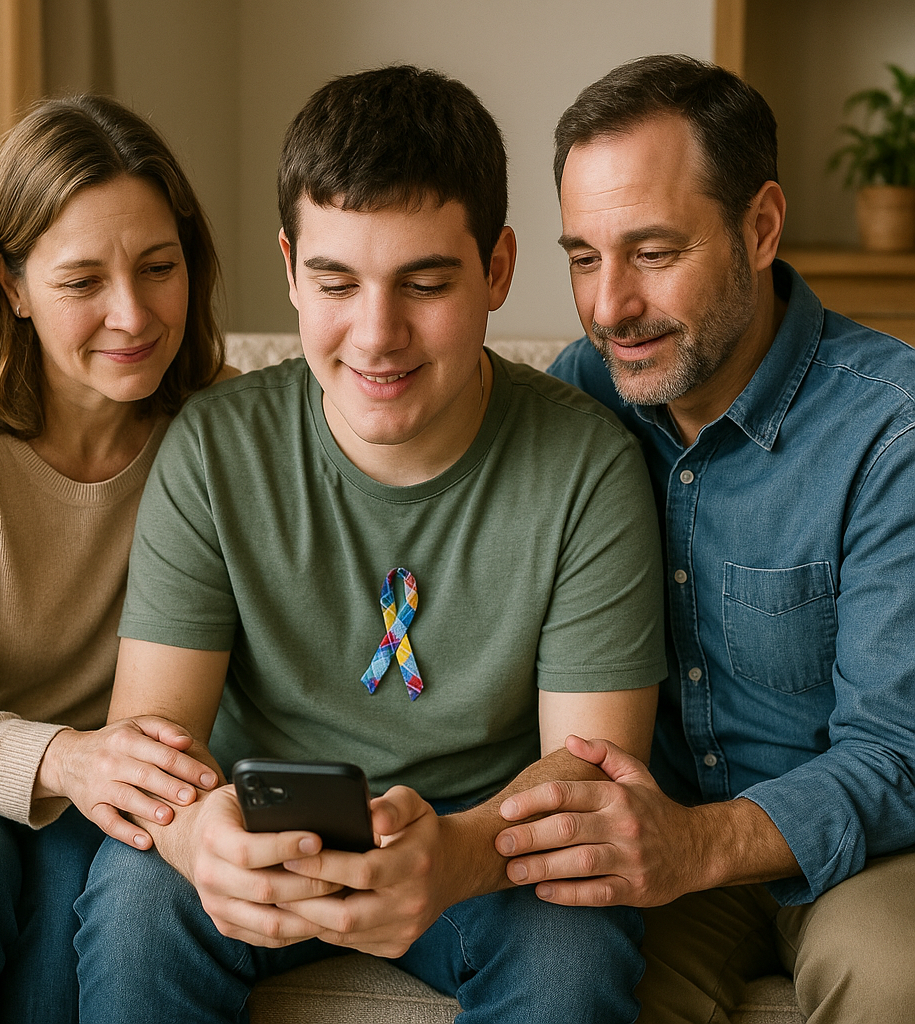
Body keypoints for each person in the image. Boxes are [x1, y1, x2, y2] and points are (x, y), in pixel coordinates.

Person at [73, 65, 667, 1023]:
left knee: (576, 945)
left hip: (486, 849)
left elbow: (588, 774)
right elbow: (154, 746)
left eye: (425, 284)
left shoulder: (589, 465)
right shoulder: (216, 447)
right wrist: (198, 842)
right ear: (290, 269)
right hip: (264, 834)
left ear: (499, 270)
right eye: (336, 283)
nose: (377, 336)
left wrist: (461, 855)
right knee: (139, 900)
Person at [493, 53, 915, 1024]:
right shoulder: (576, 397)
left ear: (760, 227)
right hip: (658, 853)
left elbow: (897, 749)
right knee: (573, 975)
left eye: (651, 252)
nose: (609, 308)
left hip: (869, 853)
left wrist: (692, 844)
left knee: (894, 976)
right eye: (583, 258)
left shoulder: (891, 430)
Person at [0, 94, 233, 1024]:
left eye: (159, 268)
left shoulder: (216, 426)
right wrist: (67, 759)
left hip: (109, 774)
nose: (133, 314)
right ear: (11, 285)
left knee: (78, 914)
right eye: (82, 282)